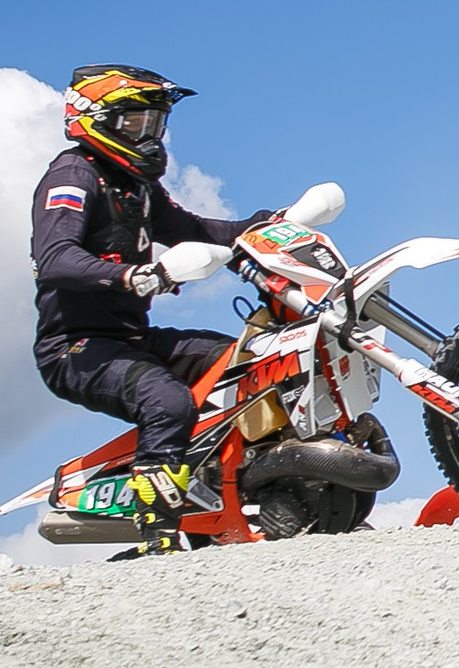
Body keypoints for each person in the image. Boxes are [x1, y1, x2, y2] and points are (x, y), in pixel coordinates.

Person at [30, 66, 275, 541]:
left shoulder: (136, 187)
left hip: (133, 340)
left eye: (155, 125)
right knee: (168, 402)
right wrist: (131, 275)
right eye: (135, 123)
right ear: (95, 120)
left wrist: (262, 226)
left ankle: (235, 491)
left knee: (247, 363)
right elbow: (55, 259)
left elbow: (196, 230)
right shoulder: (74, 176)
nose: (150, 136)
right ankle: (158, 534)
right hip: (75, 347)